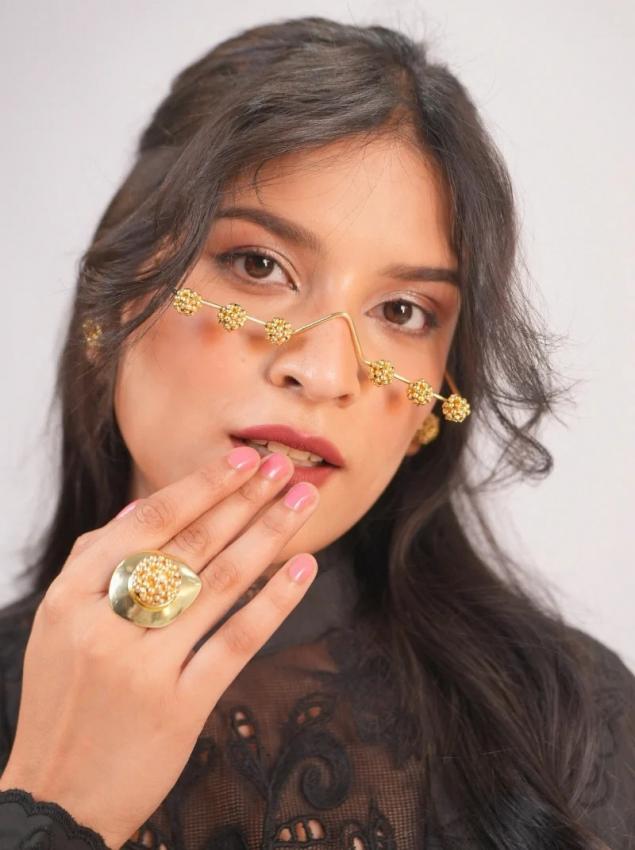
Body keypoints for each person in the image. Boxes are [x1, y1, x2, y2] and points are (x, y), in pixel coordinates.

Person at [0, 14, 633, 850]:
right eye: (258, 265)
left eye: (402, 311)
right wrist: (49, 807)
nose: (326, 371)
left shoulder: (571, 723)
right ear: (115, 302)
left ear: (434, 401)